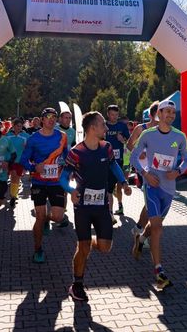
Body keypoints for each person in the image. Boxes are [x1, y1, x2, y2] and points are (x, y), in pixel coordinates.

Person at [60, 111, 132, 301]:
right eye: (102, 125)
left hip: (101, 207)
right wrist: (70, 190)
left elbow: (114, 166)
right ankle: (77, 285)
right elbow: (63, 178)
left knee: (105, 247)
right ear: (92, 128)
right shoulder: (76, 152)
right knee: (83, 248)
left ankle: (88, 242)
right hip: (82, 207)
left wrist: (124, 182)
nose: (106, 128)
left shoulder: (106, 147)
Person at [130, 99, 187, 289]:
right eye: (167, 111)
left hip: (169, 189)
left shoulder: (180, 136)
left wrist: (178, 171)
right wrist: (146, 174)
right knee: (157, 228)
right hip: (152, 186)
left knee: (154, 226)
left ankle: (140, 239)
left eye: (173, 112)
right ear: (159, 114)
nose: (171, 115)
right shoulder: (147, 134)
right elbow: (133, 157)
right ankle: (159, 272)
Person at [20, 107, 70, 264]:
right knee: (39, 216)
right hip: (39, 182)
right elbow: (23, 160)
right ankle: (38, 249)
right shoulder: (33, 139)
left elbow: (67, 156)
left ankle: (48, 220)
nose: (51, 119)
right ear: (42, 119)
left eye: (54, 117)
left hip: (56, 182)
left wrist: (69, 169)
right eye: (48, 116)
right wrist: (34, 167)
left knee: (58, 217)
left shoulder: (62, 137)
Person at [126, 100, 159, 250]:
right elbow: (129, 144)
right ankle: (140, 232)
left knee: (151, 202)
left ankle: (139, 229)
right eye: (158, 114)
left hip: (157, 170)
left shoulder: (163, 130)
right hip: (142, 169)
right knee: (151, 202)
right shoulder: (141, 128)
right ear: (152, 115)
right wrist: (139, 153)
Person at [105, 105, 130, 218]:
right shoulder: (103, 125)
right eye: (112, 114)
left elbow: (128, 141)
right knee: (109, 188)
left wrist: (123, 139)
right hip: (105, 161)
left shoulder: (122, 126)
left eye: (116, 115)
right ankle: (109, 213)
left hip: (119, 160)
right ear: (108, 114)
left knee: (119, 186)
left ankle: (120, 206)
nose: (114, 117)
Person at [6, 118, 30, 207]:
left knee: (17, 178)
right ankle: (13, 196)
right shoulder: (8, 135)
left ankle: (14, 195)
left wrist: (27, 146)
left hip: (20, 160)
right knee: (13, 176)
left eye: (20, 126)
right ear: (13, 126)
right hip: (11, 160)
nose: (19, 128)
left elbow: (31, 147)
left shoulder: (25, 136)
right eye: (17, 126)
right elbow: (4, 146)